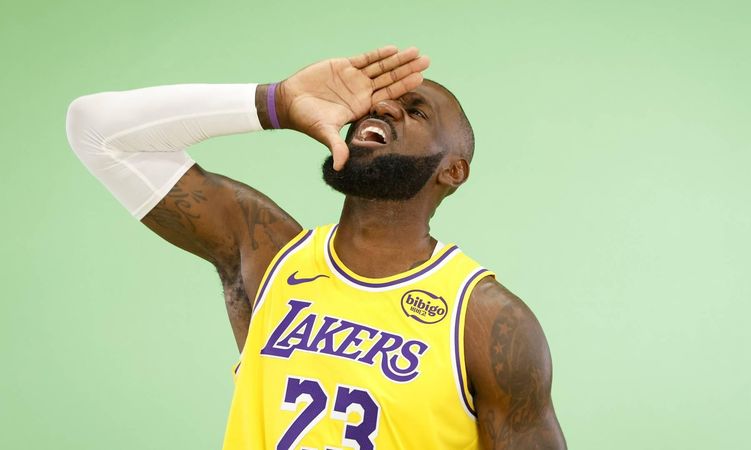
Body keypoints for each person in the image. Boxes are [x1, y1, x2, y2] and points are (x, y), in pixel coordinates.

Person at [66, 45, 566, 449]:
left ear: (451, 171)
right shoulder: (267, 254)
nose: (385, 106)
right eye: (375, 103)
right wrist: (276, 103)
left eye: (415, 111)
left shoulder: (487, 321)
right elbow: (97, 130)